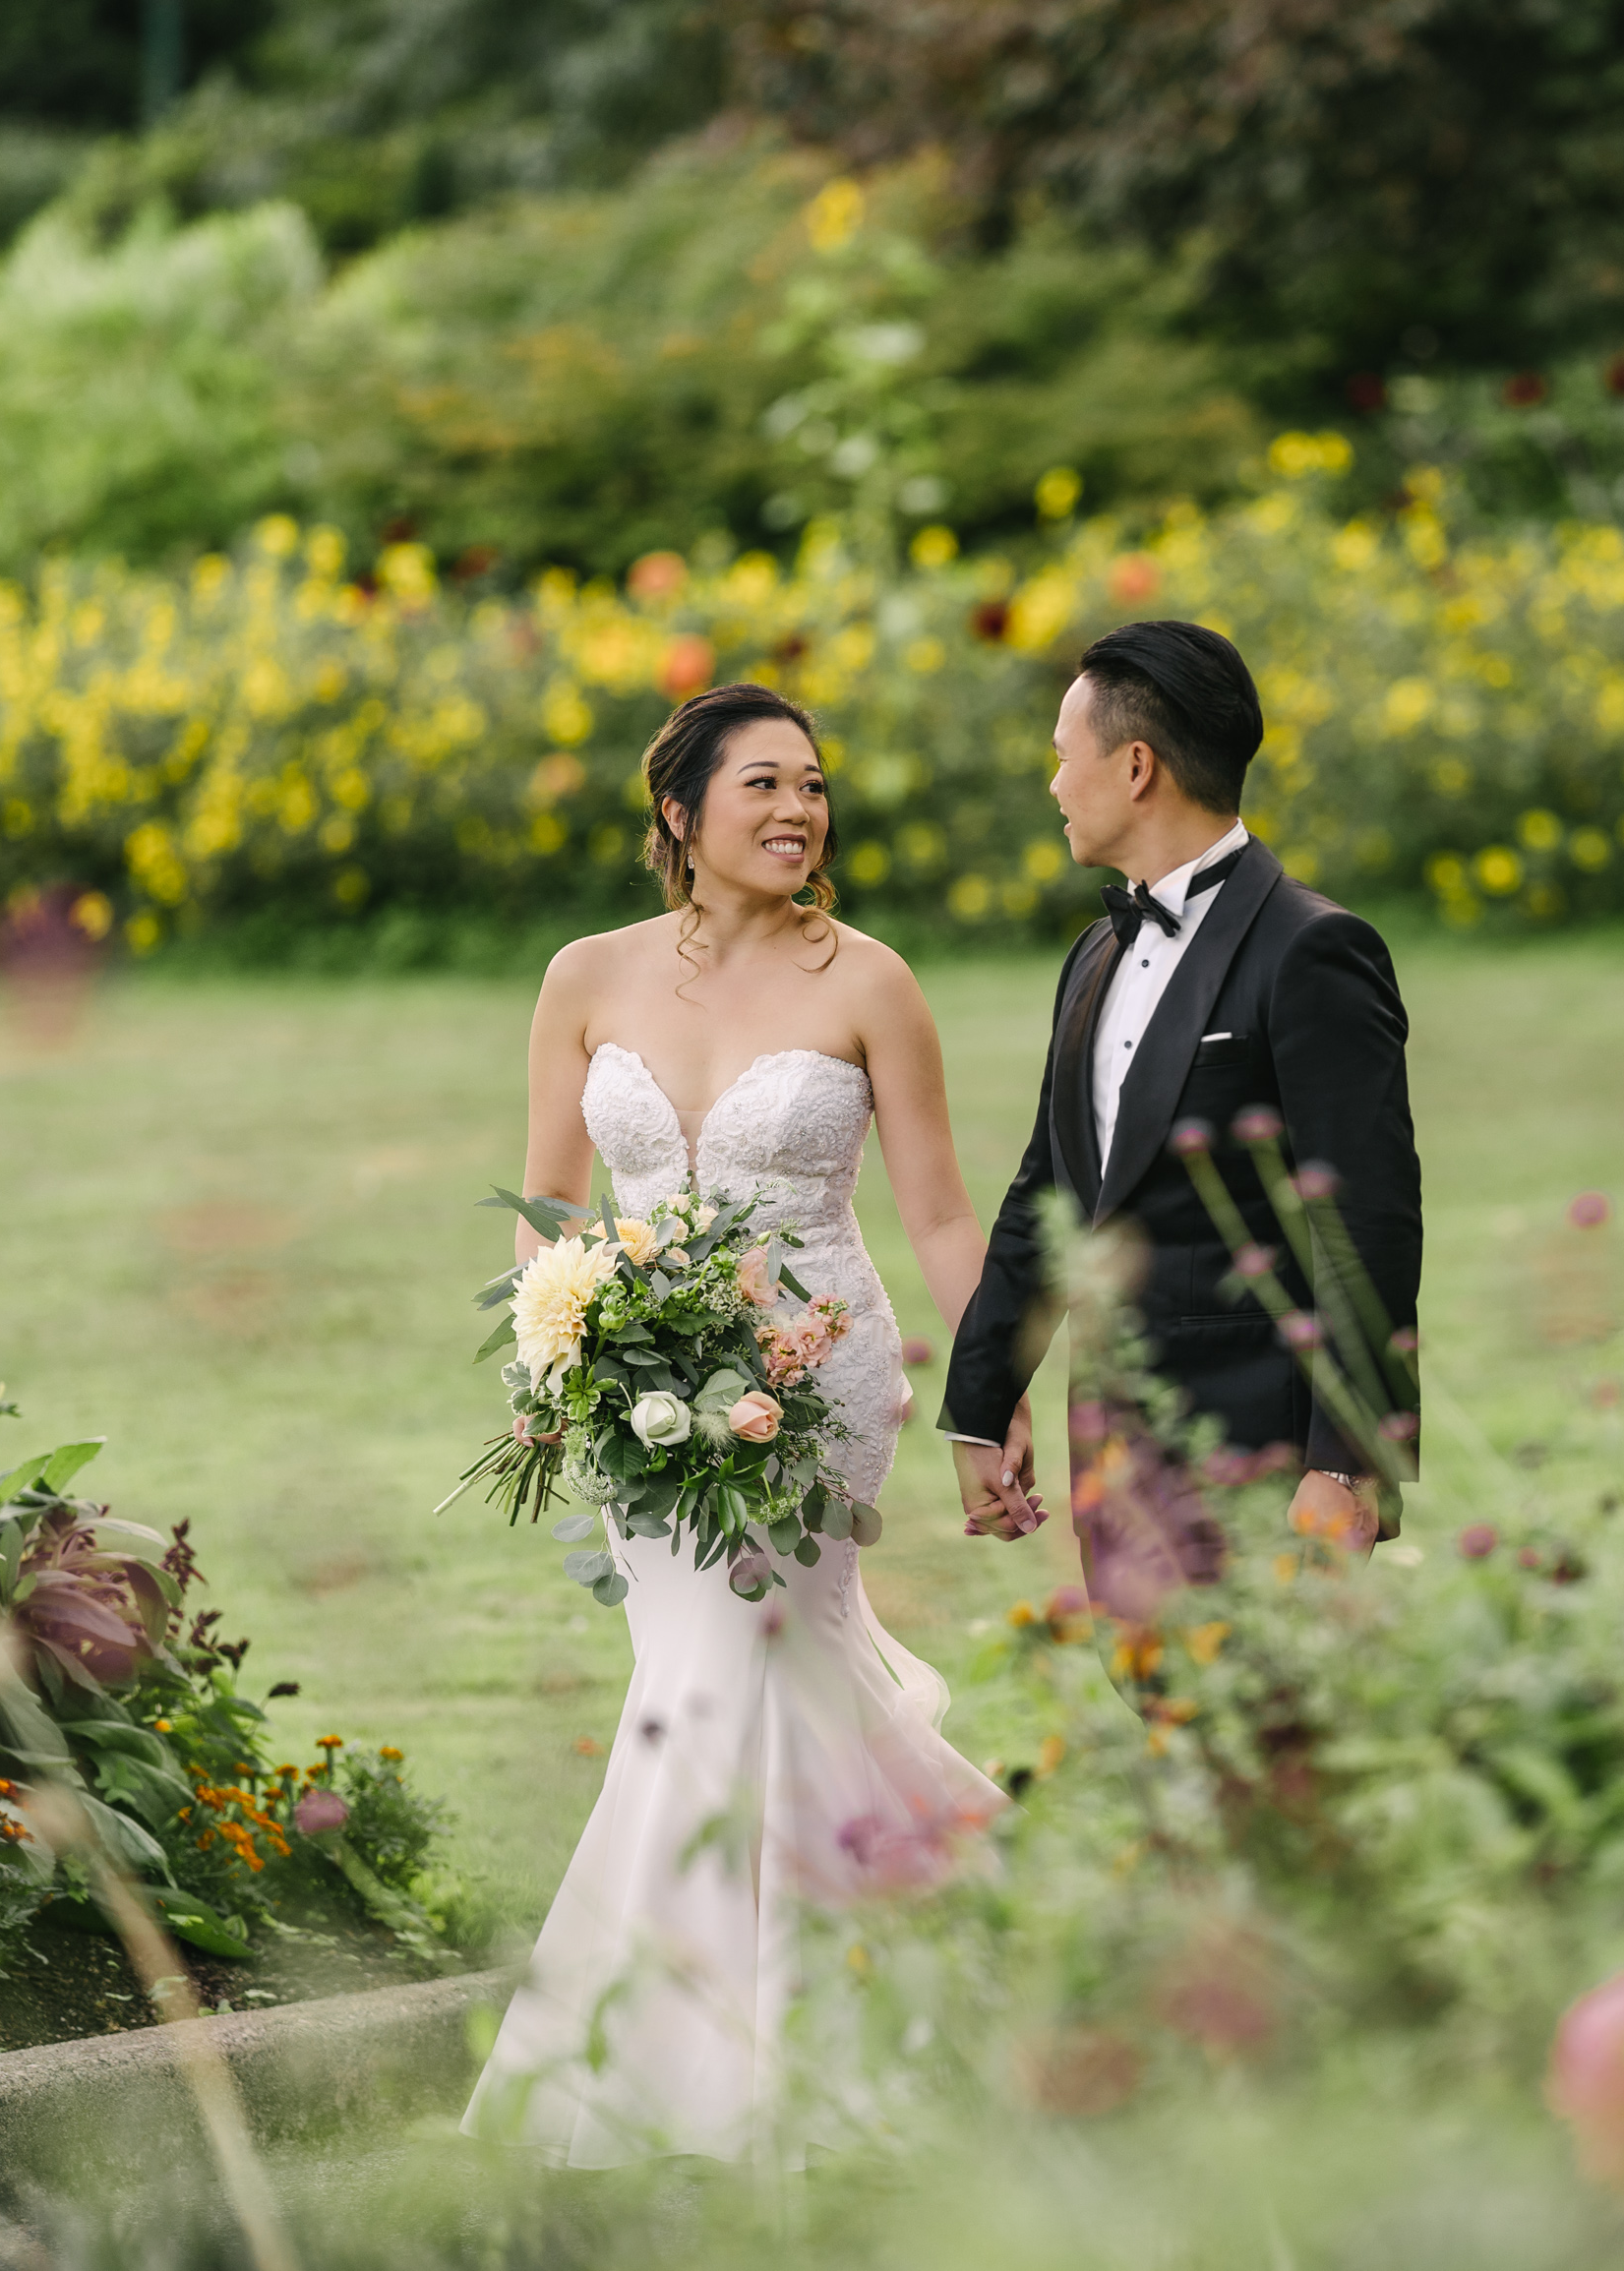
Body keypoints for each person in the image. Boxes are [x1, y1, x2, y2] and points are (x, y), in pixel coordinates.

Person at [462, 683, 1006, 2167]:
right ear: (678, 813)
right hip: (630, 1390)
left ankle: (733, 2066)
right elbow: (554, 1209)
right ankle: (797, 2026)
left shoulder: (871, 983)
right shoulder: (585, 978)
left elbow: (944, 1211)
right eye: (764, 783)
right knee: (700, 1677)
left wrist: (994, 1394)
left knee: (741, 1669)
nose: (798, 810)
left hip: (818, 1380)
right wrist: (552, 1365)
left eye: (816, 787)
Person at [941, 620, 1423, 1614]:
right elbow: (1047, 1192)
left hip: (1263, 1455)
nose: (1052, 785)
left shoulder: (1313, 950)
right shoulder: (1094, 955)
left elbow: (1367, 1223)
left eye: (1060, 758)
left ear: (1133, 766)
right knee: (1149, 1714)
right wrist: (979, 1406)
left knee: (1274, 1743)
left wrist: (1346, 1465)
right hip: (1113, 1451)